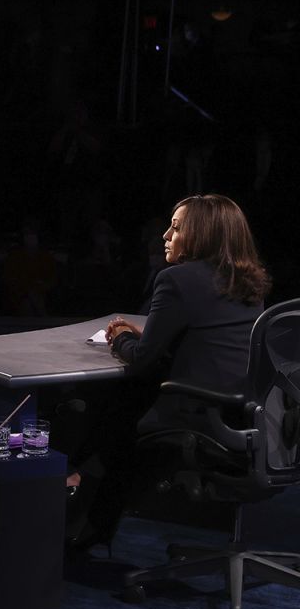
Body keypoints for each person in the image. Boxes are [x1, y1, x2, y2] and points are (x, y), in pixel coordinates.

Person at [65, 194, 270, 549]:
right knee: (124, 409)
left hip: (201, 417)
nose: (164, 236)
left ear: (200, 236)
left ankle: (72, 499)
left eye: (175, 228)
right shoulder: (247, 283)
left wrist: (121, 336)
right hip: (247, 419)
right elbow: (209, 338)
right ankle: (89, 519)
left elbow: (142, 358)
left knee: (116, 409)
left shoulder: (176, 279)